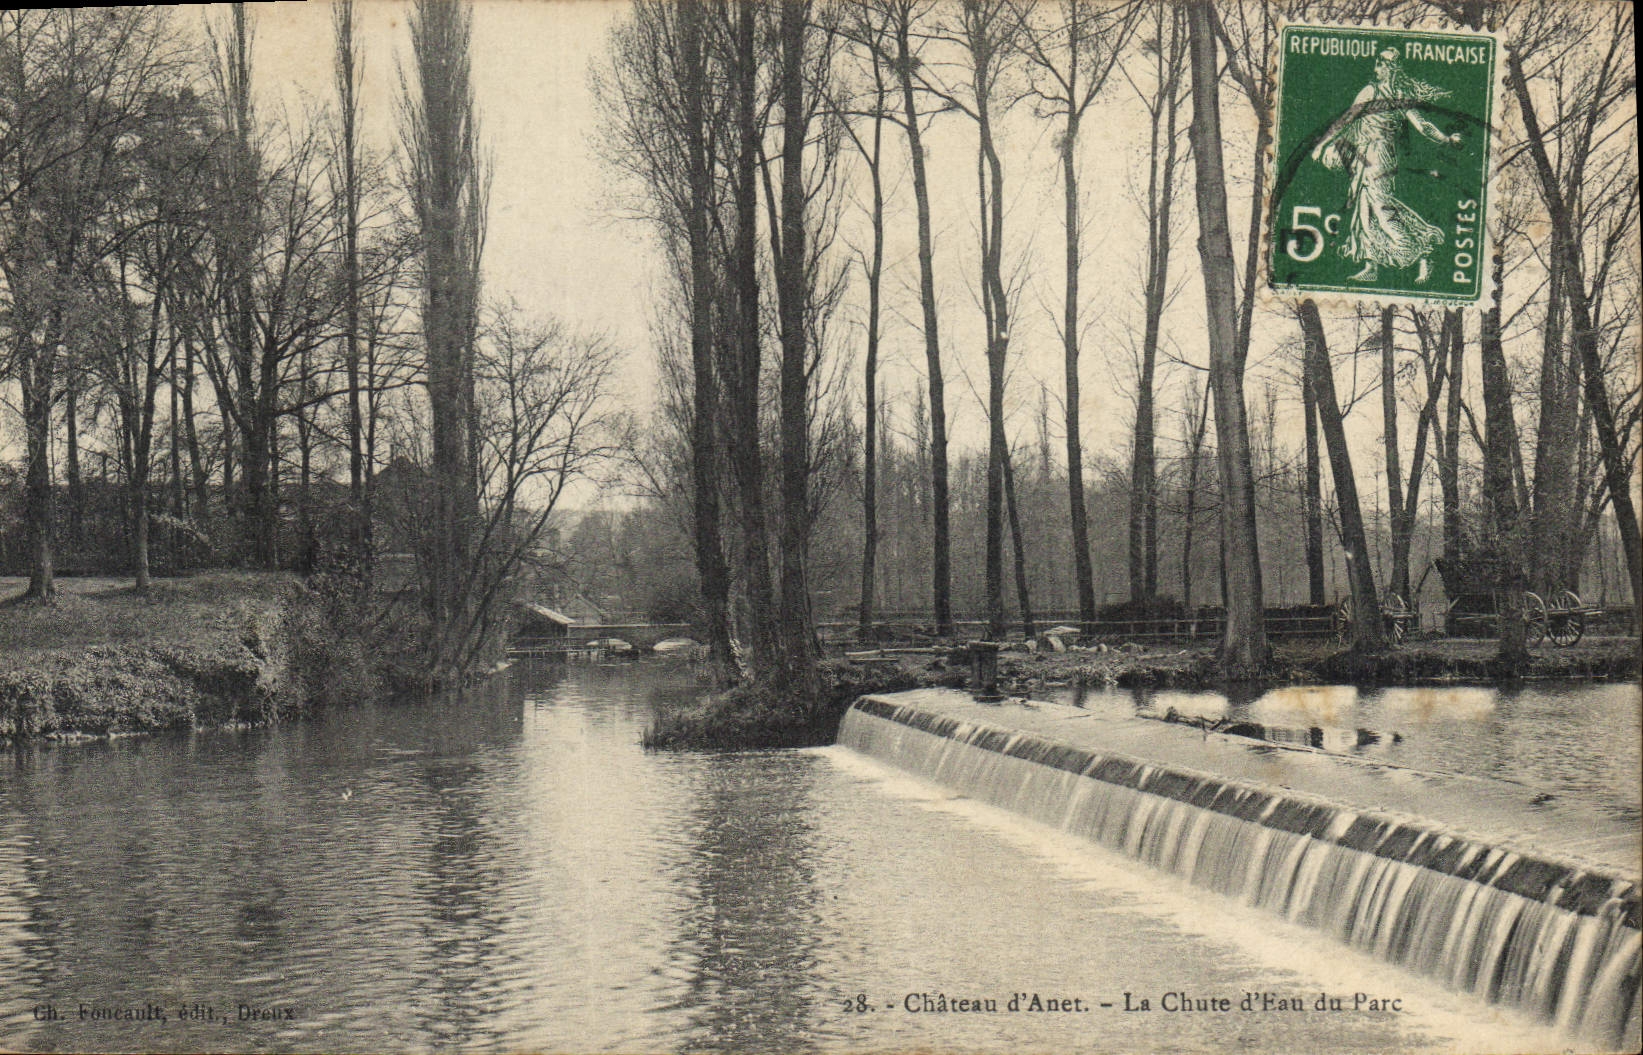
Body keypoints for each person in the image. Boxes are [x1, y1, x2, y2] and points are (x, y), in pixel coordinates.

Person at [1310, 49, 1462, 284]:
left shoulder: (1394, 95)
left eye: (1380, 65)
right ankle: (1371, 264)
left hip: (1380, 156)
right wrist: (1323, 144)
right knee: (1365, 207)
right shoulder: (1371, 91)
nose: (1375, 69)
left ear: (1391, 69)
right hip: (1365, 153)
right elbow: (1346, 119)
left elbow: (1423, 126)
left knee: (1381, 208)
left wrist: (1445, 139)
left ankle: (1423, 252)